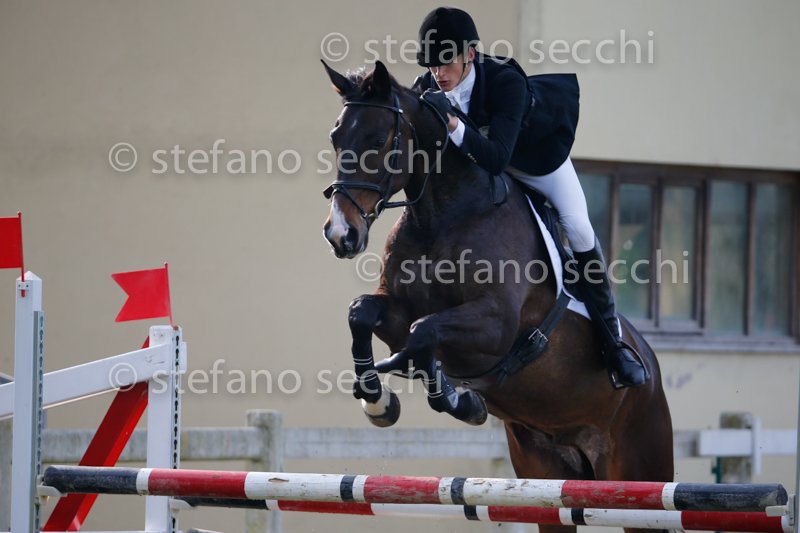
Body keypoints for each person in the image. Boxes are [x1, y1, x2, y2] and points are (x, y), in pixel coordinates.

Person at [414, 7, 648, 388]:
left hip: (536, 162)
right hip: (483, 171)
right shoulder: (429, 86)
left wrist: (453, 123)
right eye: (431, 64)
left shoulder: (506, 82)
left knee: (578, 227)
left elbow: (496, 157)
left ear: (470, 54)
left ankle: (613, 343)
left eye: (446, 61)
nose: (438, 73)